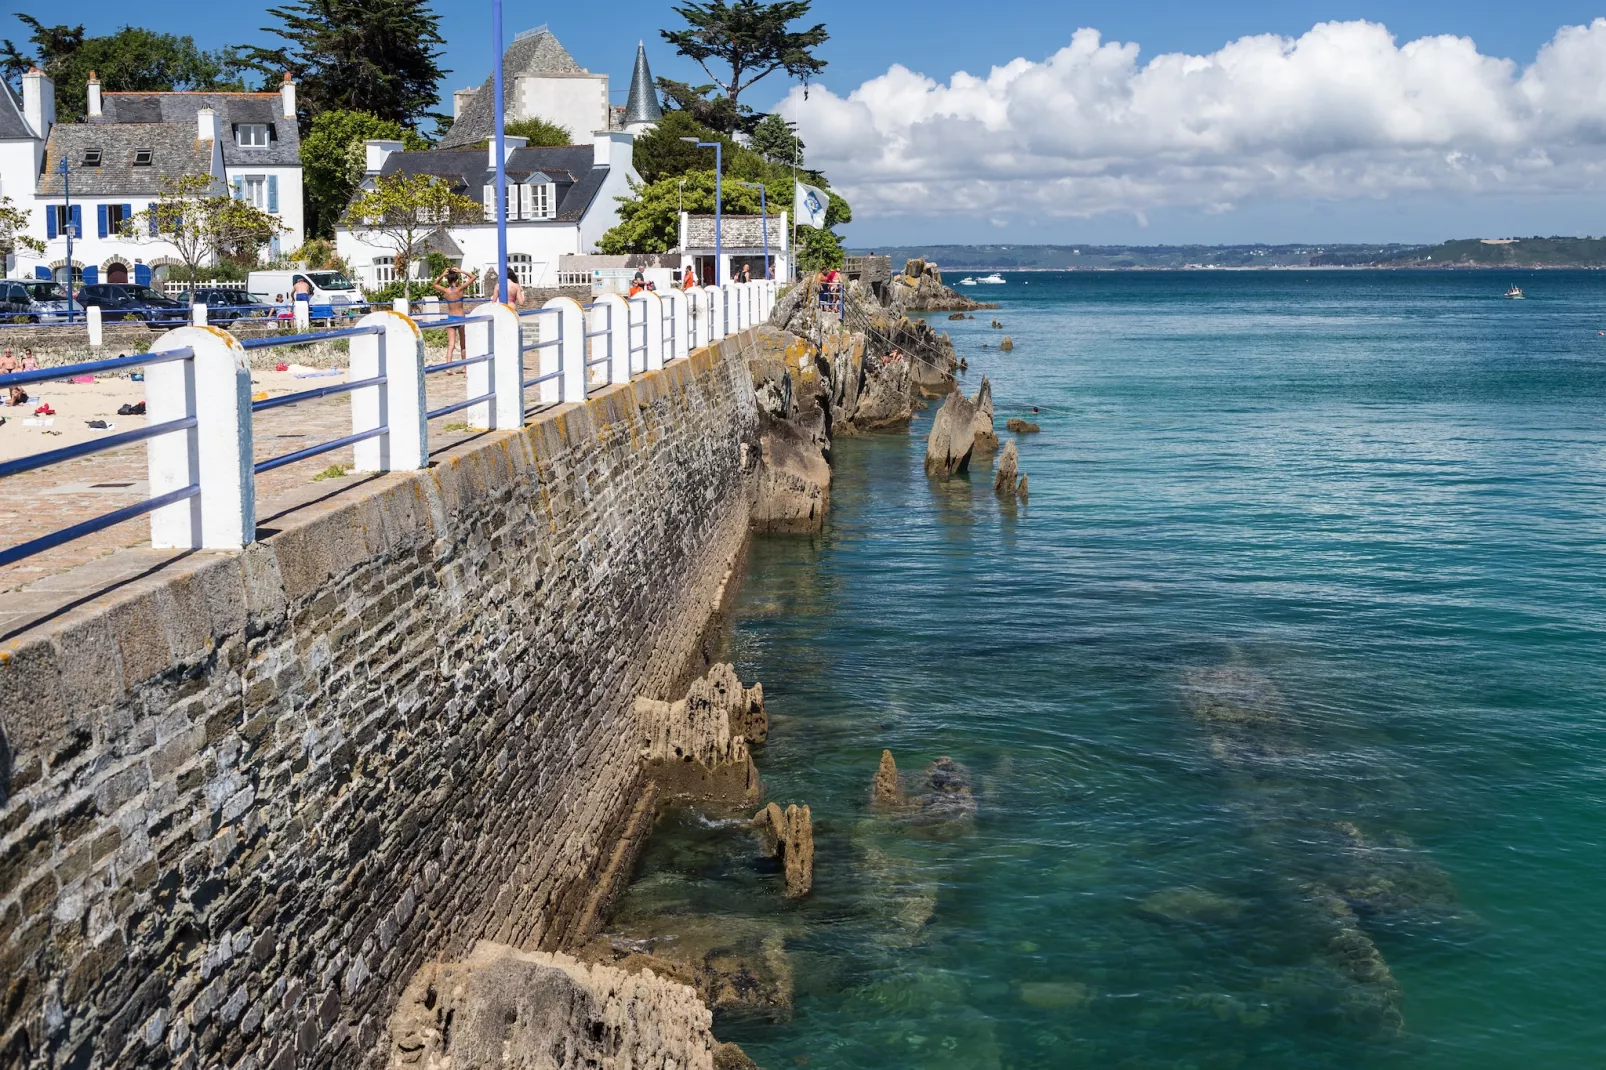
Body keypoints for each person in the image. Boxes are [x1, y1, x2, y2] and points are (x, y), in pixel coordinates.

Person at [434, 267, 478, 362]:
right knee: (463, 344)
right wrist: (461, 271)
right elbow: (474, 277)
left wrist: (443, 274)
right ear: (457, 280)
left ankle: (449, 367)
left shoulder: (446, 291)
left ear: (448, 280)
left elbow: (435, 284)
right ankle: (465, 368)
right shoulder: (460, 289)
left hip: (450, 318)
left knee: (451, 344)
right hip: (461, 318)